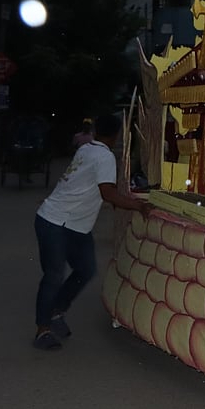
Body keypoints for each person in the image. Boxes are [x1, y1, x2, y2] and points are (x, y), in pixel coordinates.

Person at [32, 113, 152, 350]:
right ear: (117, 135)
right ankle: (42, 329)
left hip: (72, 224)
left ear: (95, 131)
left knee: (85, 269)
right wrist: (139, 206)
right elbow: (108, 193)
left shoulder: (86, 148)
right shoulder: (104, 156)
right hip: (56, 221)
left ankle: (56, 311)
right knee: (54, 276)